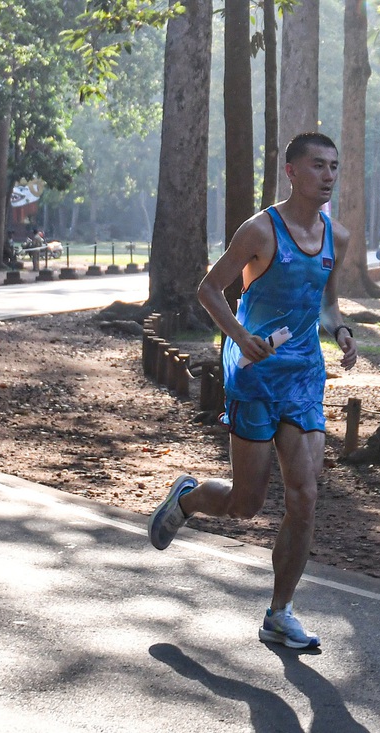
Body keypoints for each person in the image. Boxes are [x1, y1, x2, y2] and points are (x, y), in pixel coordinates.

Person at [148, 132, 357, 649]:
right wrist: (242, 338)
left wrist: (342, 331)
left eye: (334, 166)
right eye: (317, 166)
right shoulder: (261, 230)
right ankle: (190, 499)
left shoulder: (339, 237)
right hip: (255, 375)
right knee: (246, 502)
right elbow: (208, 289)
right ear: (291, 171)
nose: (328, 175)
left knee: (304, 498)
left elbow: (327, 305)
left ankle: (280, 613)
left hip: (304, 376)